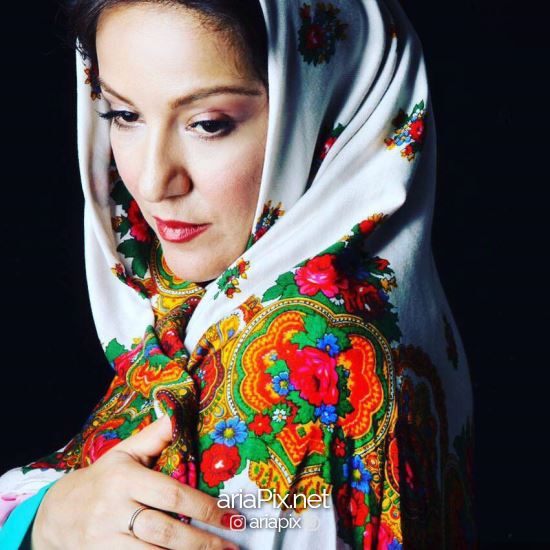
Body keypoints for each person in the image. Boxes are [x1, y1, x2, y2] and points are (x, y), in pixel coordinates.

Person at [0, 0, 477, 548]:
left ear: (326, 103)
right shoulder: (201, 316)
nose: (153, 181)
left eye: (208, 124)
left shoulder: (301, 362)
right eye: (124, 116)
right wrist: (46, 518)